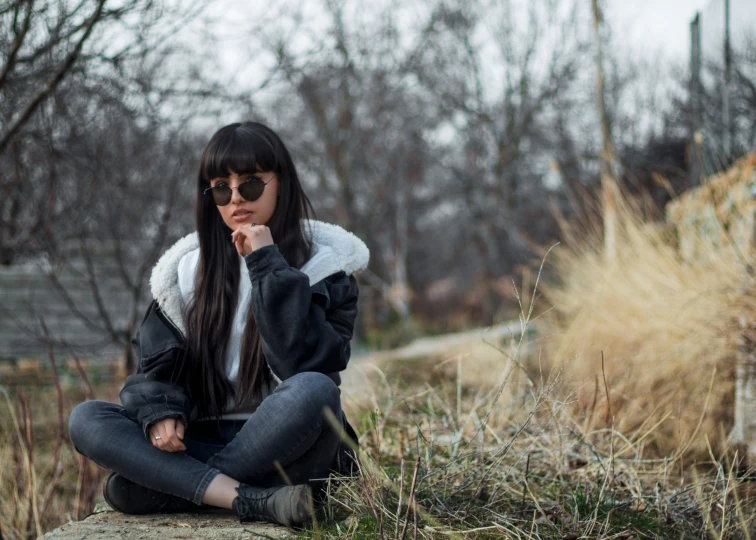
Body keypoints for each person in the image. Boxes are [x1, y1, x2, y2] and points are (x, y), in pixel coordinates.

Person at [67, 121, 369, 528]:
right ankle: (252, 500)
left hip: (288, 443)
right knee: (87, 418)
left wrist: (267, 265)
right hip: (200, 436)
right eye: (221, 188)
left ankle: (179, 486)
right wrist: (161, 412)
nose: (236, 198)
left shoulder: (326, 268)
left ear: (282, 183)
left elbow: (302, 364)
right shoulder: (184, 272)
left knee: (316, 388)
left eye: (251, 184)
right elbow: (156, 369)